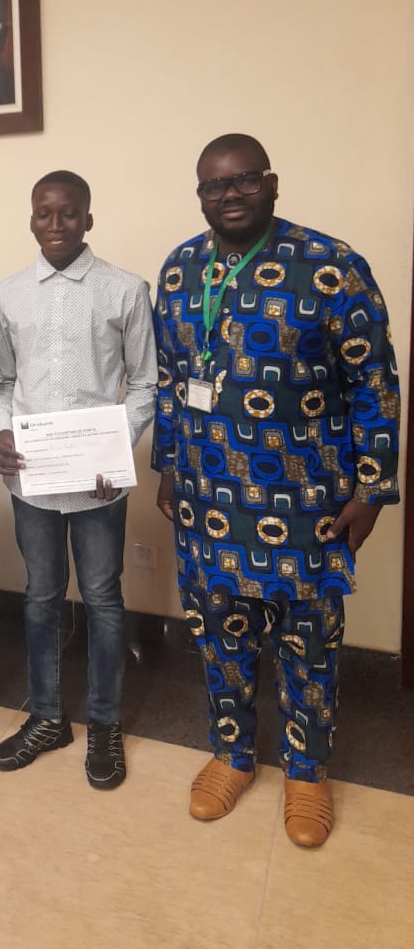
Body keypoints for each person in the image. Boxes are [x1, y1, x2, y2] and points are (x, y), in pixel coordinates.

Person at [152, 133, 400, 847]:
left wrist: (372, 488)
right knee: (218, 635)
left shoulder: (330, 265)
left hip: (307, 502)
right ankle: (232, 755)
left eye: (244, 180)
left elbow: (375, 383)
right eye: (214, 185)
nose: (229, 195)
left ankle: (307, 772)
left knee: (309, 642)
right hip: (206, 498)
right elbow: (172, 378)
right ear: (200, 195)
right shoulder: (180, 269)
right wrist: (168, 463)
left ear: (272, 183)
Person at [0, 171, 157, 789]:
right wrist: (0, 432)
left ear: (88, 219)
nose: (55, 224)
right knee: (40, 596)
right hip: (32, 479)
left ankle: (105, 723)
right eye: (44, 213)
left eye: (67, 213)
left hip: (98, 481)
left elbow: (145, 383)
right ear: (31, 219)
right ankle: (48, 717)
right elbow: (5, 381)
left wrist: (116, 449)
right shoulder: (7, 294)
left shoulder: (124, 290)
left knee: (103, 598)